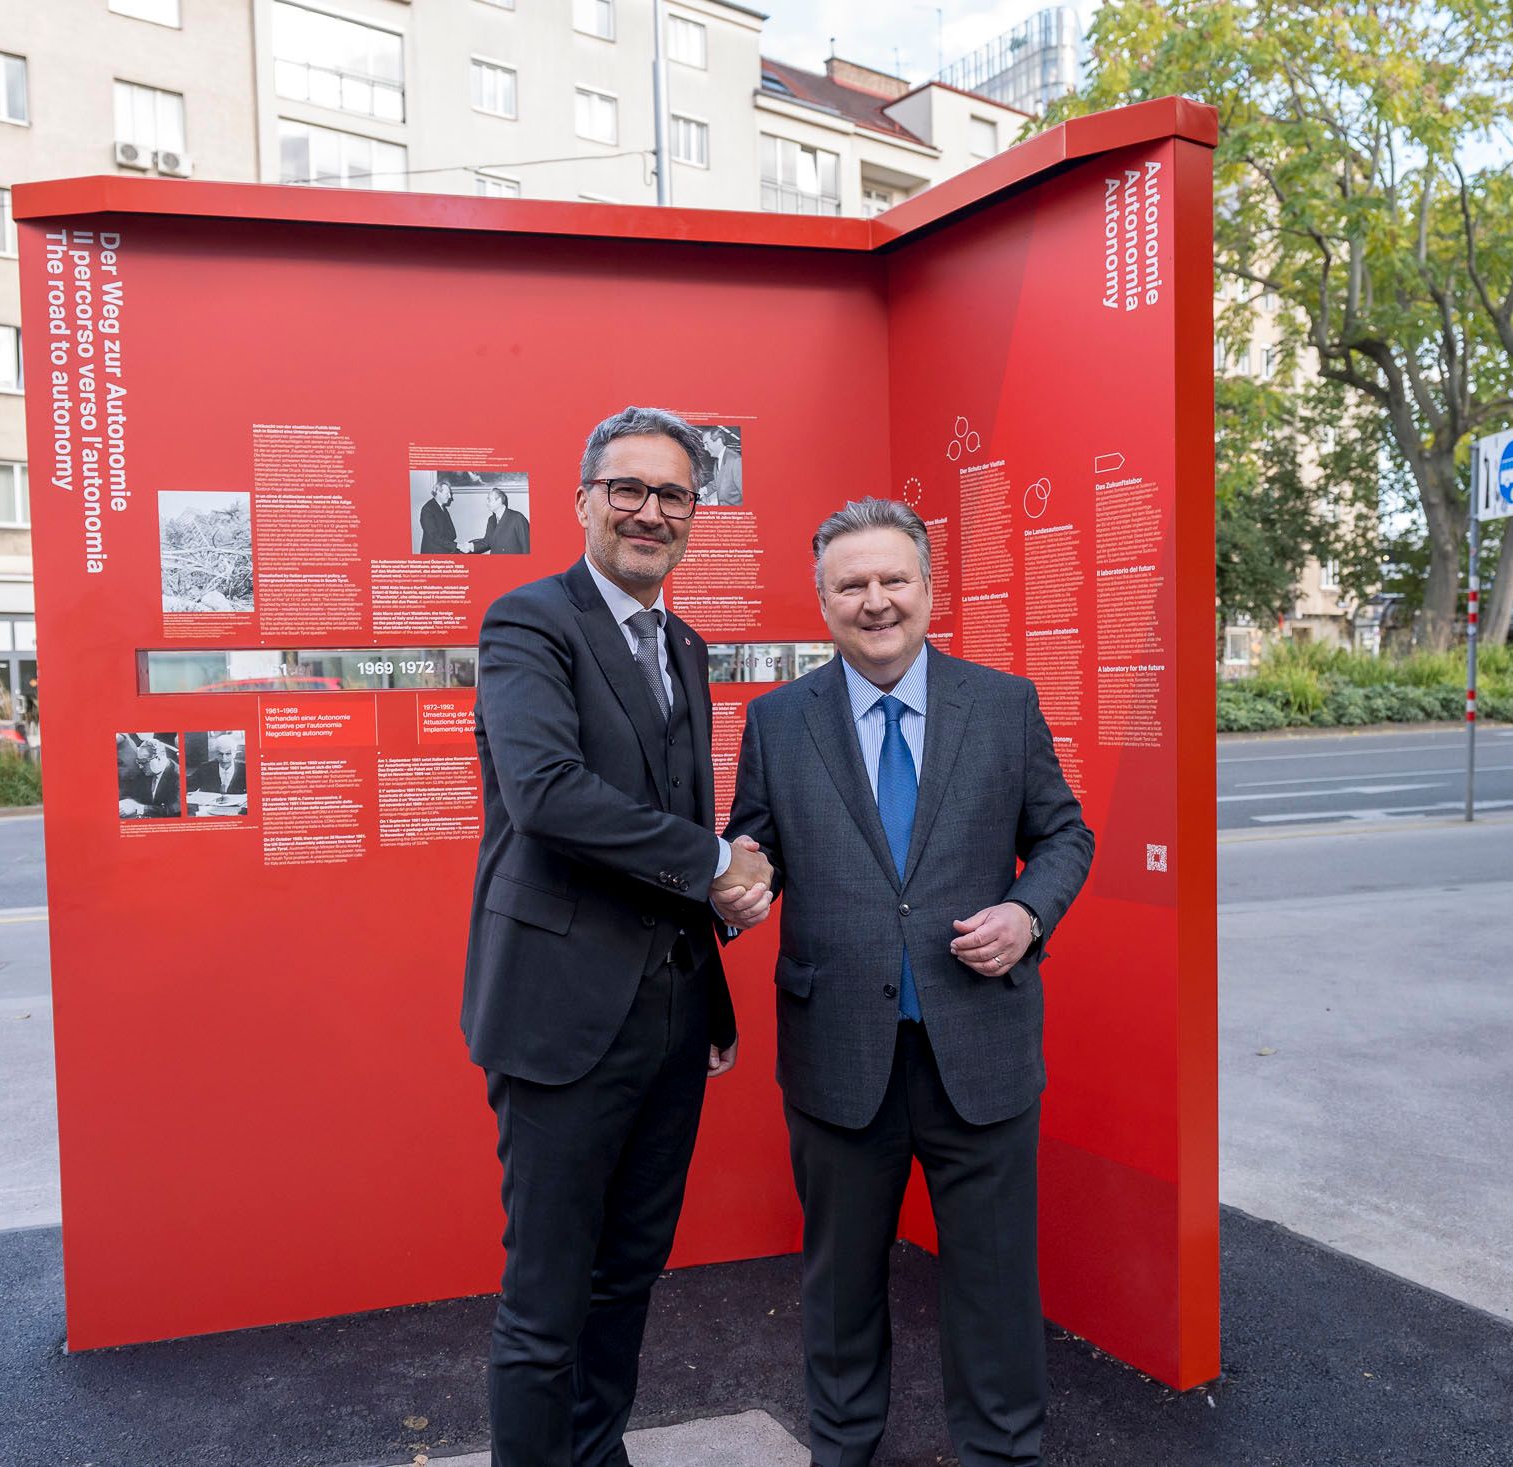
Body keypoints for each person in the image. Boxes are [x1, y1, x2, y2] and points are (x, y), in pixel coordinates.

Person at [725, 497, 1092, 1467]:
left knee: (994, 1283)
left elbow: (1064, 834)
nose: (876, 600)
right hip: (838, 1049)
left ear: (929, 589)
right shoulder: (777, 721)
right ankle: (843, 1449)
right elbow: (754, 845)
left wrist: (1028, 914)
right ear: (822, 602)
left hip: (980, 1044)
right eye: (852, 584)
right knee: (840, 1285)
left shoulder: (1003, 705)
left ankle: (1001, 1453)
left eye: (894, 578)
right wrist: (740, 883)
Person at [463, 405, 774, 1467]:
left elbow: (674, 820)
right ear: (583, 501)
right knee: (546, 1298)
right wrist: (717, 862)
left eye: (672, 494)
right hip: (560, 1014)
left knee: (628, 1275)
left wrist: (712, 990)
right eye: (628, 489)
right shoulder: (528, 622)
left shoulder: (683, 644)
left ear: (693, 513)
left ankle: (597, 1456)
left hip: (671, 1016)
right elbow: (547, 794)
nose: (649, 511)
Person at [186, 731, 248, 815]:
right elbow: (187, 786)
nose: (224, 758)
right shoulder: (205, 768)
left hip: (237, 812)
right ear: (215, 753)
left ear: (235, 753)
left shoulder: (245, 769)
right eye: (220, 754)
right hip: (208, 811)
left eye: (228, 754)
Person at [470, 486, 532, 554]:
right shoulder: (491, 520)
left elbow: (526, 546)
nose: (487, 503)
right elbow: (487, 542)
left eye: (489, 500)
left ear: (499, 500)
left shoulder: (517, 517)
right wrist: (471, 547)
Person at [698, 428, 742, 506]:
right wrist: (704, 489)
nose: (705, 448)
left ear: (718, 441)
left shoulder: (736, 460)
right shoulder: (718, 459)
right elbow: (719, 481)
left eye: (707, 443)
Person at [420, 480, 460, 554]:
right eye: (447, 493)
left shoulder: (443, 508)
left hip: (444, 550)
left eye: (450, 493)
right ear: (438, 492)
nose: (450, 497)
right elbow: (434, 536)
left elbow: (452, 533)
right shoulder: (427, 509)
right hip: (433, 553)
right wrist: (456, 546)